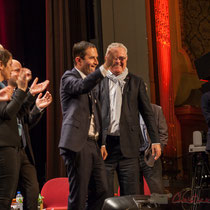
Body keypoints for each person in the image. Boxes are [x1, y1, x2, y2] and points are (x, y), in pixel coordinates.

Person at [98, 42, 161, 197]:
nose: (118, 61)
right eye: (114, 58)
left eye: (122, 58)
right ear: (107, 58)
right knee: (102, 194)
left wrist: (155, 140)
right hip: (104, 147)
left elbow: (147, 113)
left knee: (131, 196)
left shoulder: (136, 81)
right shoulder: (99, 81)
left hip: (129, 147)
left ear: (126, 59)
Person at [59, 41, 113, 210]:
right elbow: (81, 86)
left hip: (92, 143)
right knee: (79, 194)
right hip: (77, 143)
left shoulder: (92, 83)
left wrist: (102, 142)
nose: (96, 62)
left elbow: (97, 113)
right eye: (92, 58)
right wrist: (104, 68)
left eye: (97, 58)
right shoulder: (69, 78)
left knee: (102, 190)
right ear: (78, 60)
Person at [0, 48, 50, 210]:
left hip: (18, 148)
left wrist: (29, 95)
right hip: (5, 146)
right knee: (5, 196)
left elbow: (20, 116)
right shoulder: (4, 89)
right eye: (11, 67)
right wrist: (22, 90)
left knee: (32, 190)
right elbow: (7, 114)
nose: (21, 74)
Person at [139, 103, 168, 194]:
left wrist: (159, 150)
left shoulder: (156, 109)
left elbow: (163, 133)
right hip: (133, 157)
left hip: (151, 155)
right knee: (135, 194)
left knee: (157, 191)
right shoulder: (127, 111)